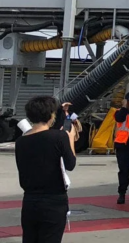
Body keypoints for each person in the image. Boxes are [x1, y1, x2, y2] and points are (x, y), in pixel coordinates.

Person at [16, 96, 78, 243]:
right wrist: (70, 140)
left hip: (30, 200)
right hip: (54, 200)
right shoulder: (59, 136)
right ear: (51, 115)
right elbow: (71, 164)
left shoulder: (21, 141)